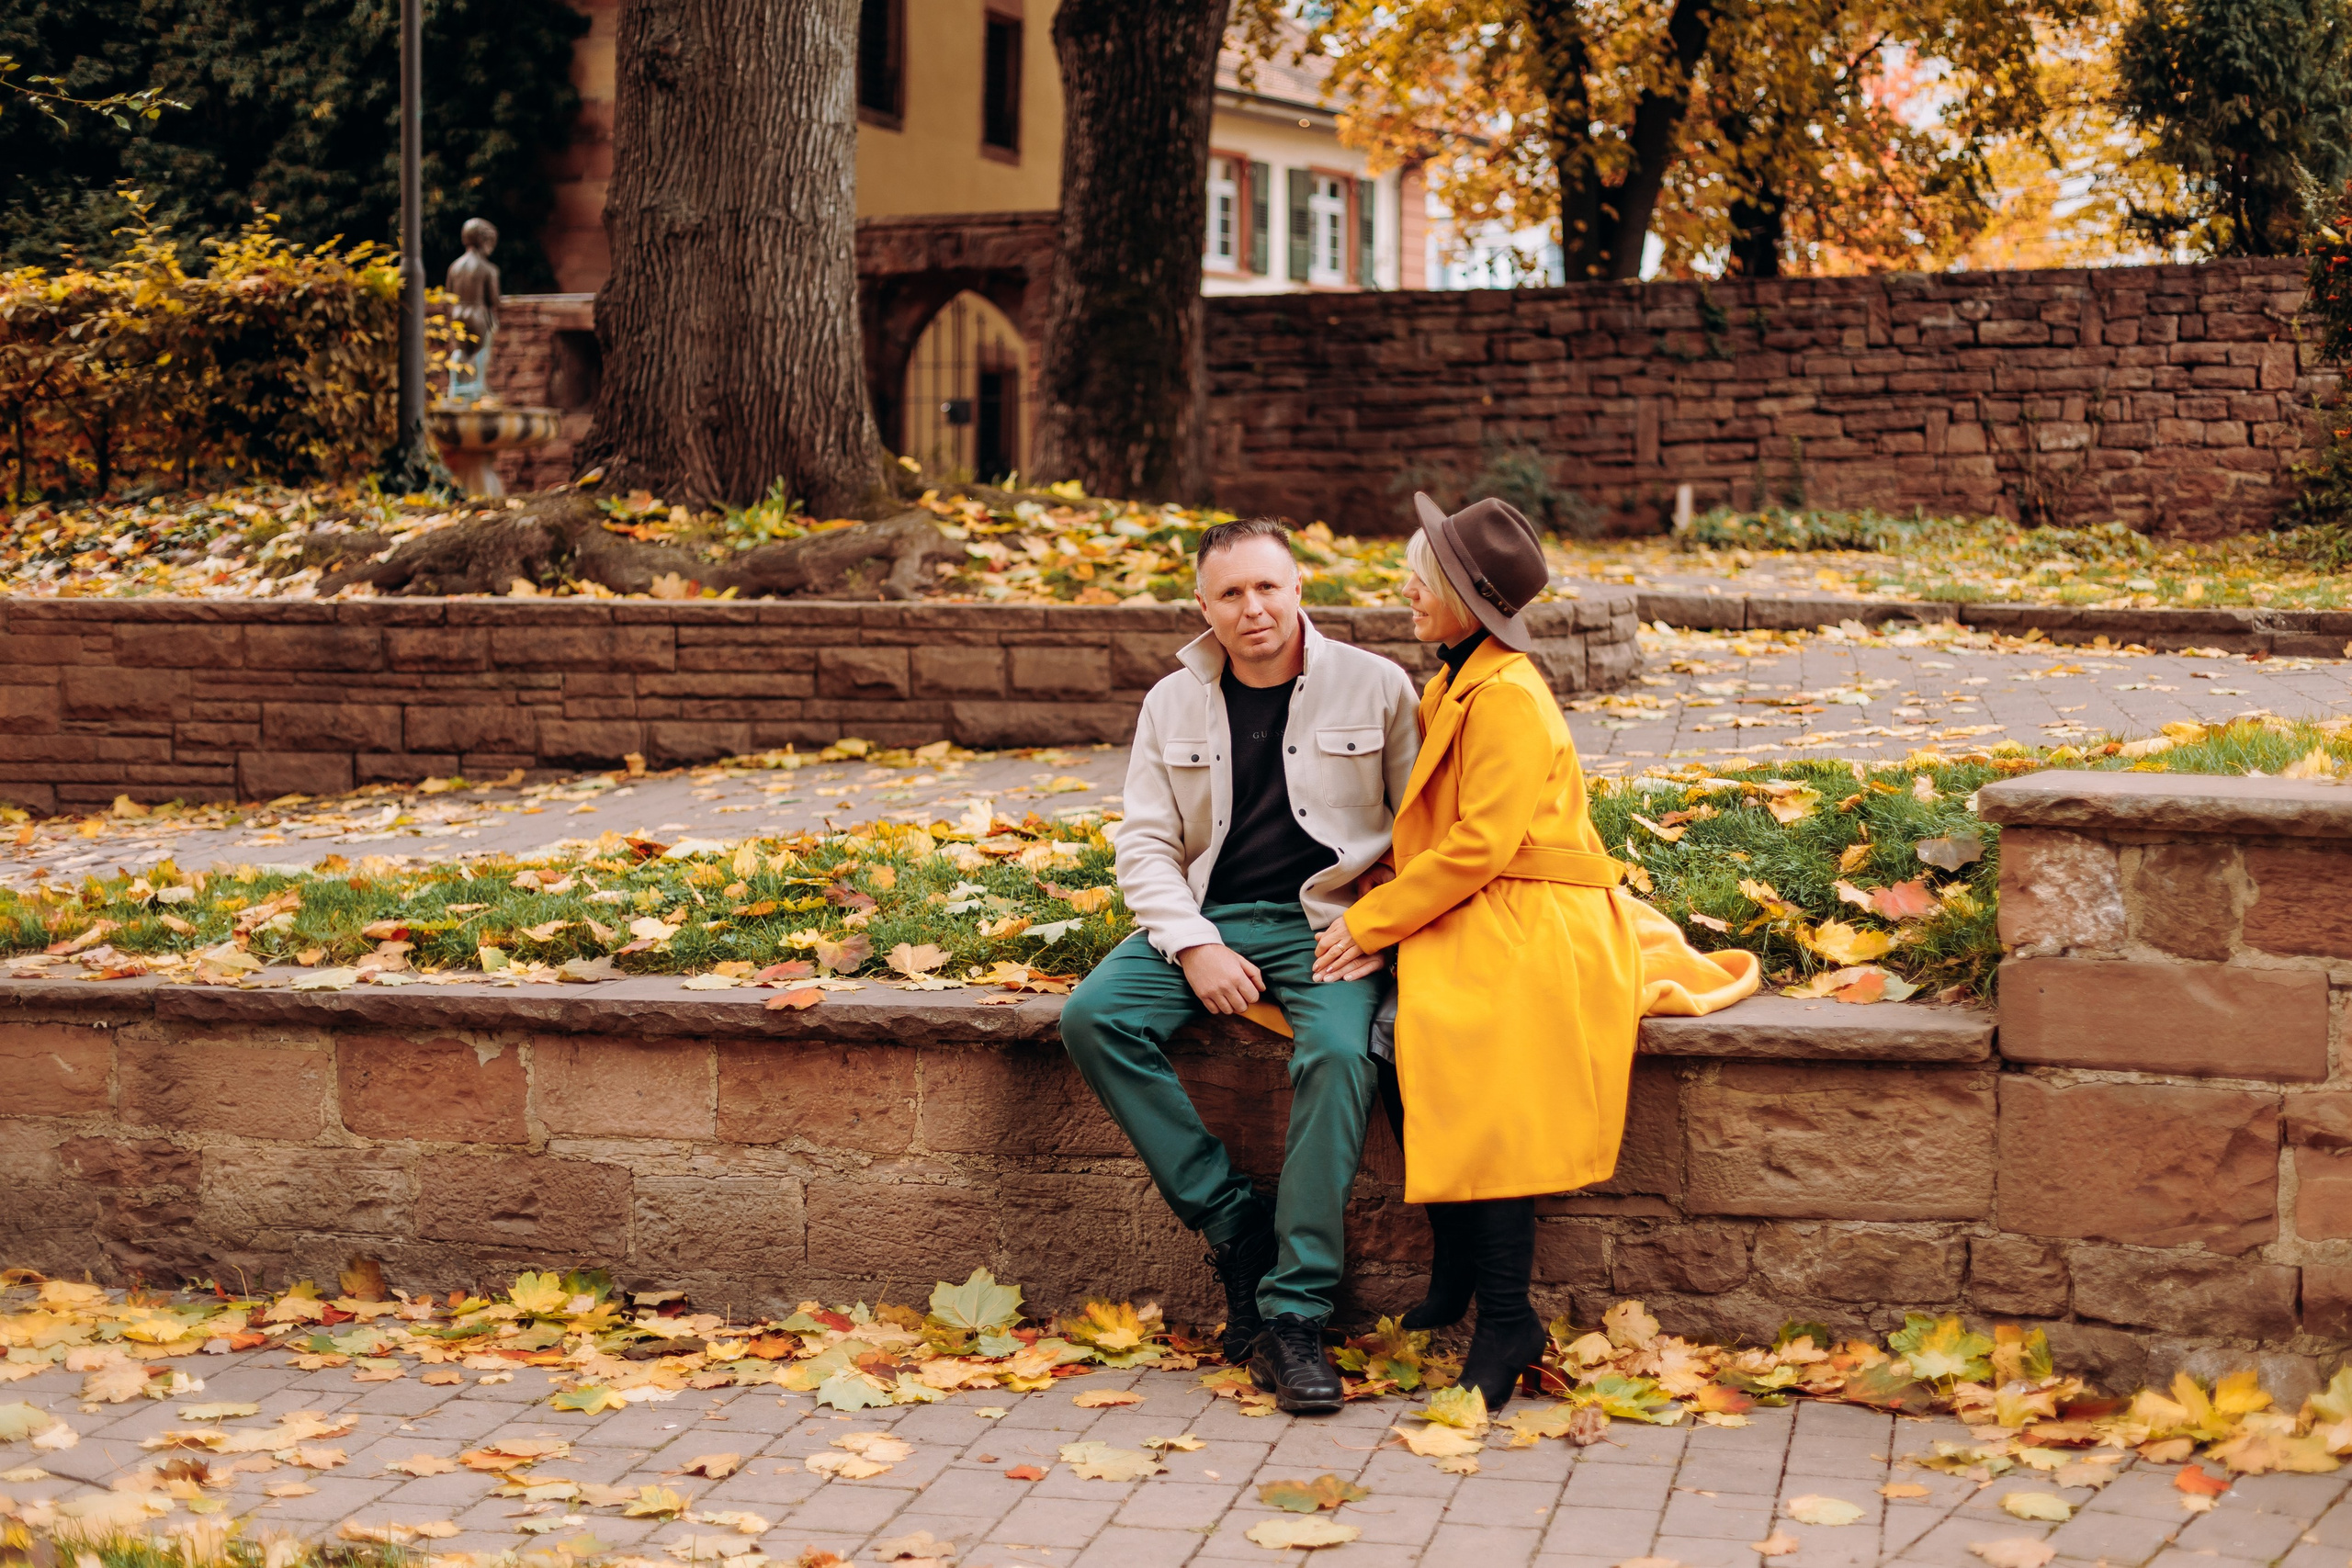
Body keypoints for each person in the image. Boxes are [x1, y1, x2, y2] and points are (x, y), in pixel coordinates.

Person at [1312, 494, 1758, 1410]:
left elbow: (1482, 844)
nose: (1406, 591)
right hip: (1484, 901)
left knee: (1472, 1055)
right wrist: (1373, 895)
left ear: (1463, 598)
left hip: (1536, 913)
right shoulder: (1456, 681)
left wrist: (1372, 923)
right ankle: (1457, 1255)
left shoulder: (1507, 695)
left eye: (1420, 580)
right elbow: (1447, 835)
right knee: (1392, 1037)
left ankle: (1508, 1316)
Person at [1060, 517, 1419, 1414]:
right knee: (1095, 1017)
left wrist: (1380, 924)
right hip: (1210, 916)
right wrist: (1193, 944)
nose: (1252, 607)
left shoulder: (1376, 685)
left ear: (1298, 587)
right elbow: (1146, 843)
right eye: (1230, 593)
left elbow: (1421, 831)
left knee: (1340, 1056)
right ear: (1203, 606)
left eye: (1267, 586)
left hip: (1329, 925)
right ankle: (1234, 1224)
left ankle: (1295, 1313)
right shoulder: (1171, 702)